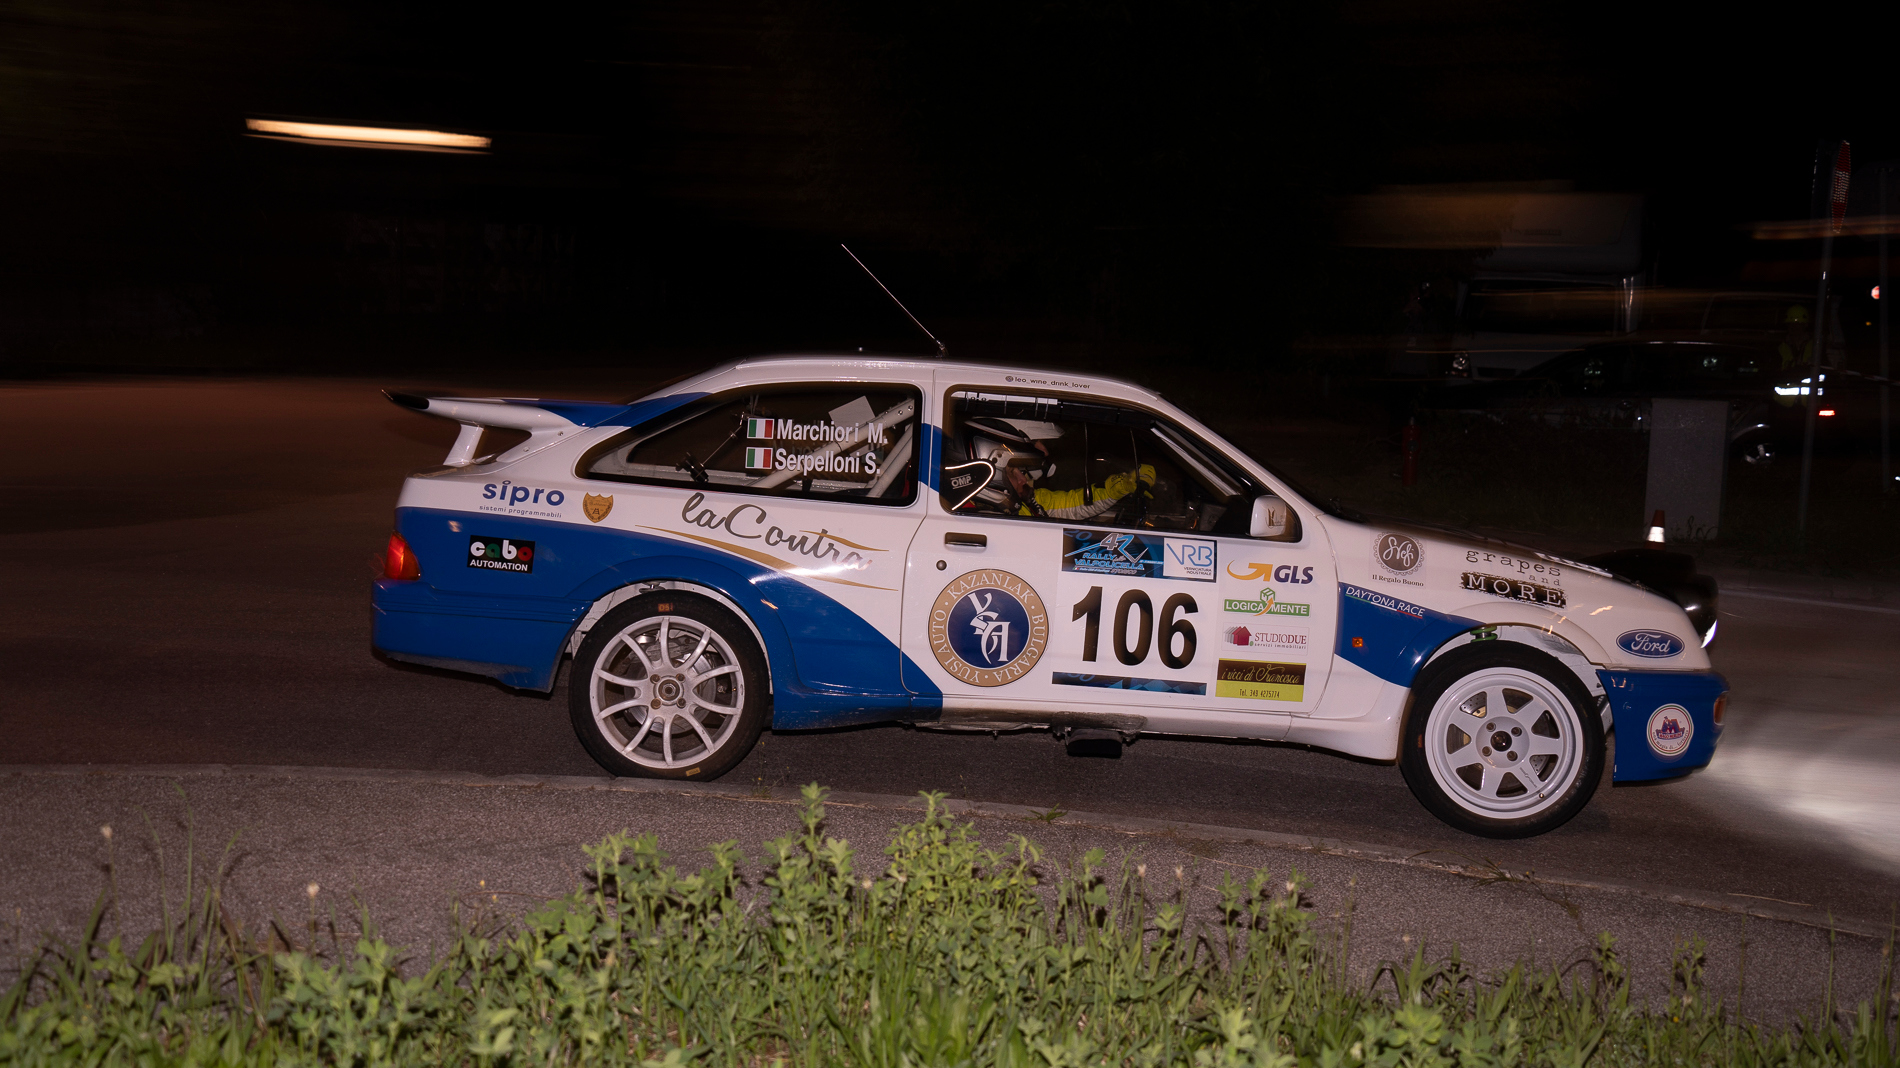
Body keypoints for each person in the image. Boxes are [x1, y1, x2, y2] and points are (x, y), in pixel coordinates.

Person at [959, 416, 1154, 520]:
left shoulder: (1028, 500)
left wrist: (1121, 486)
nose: (1023, 479)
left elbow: (1074, 503)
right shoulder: (961, 515)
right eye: (1035, 442)